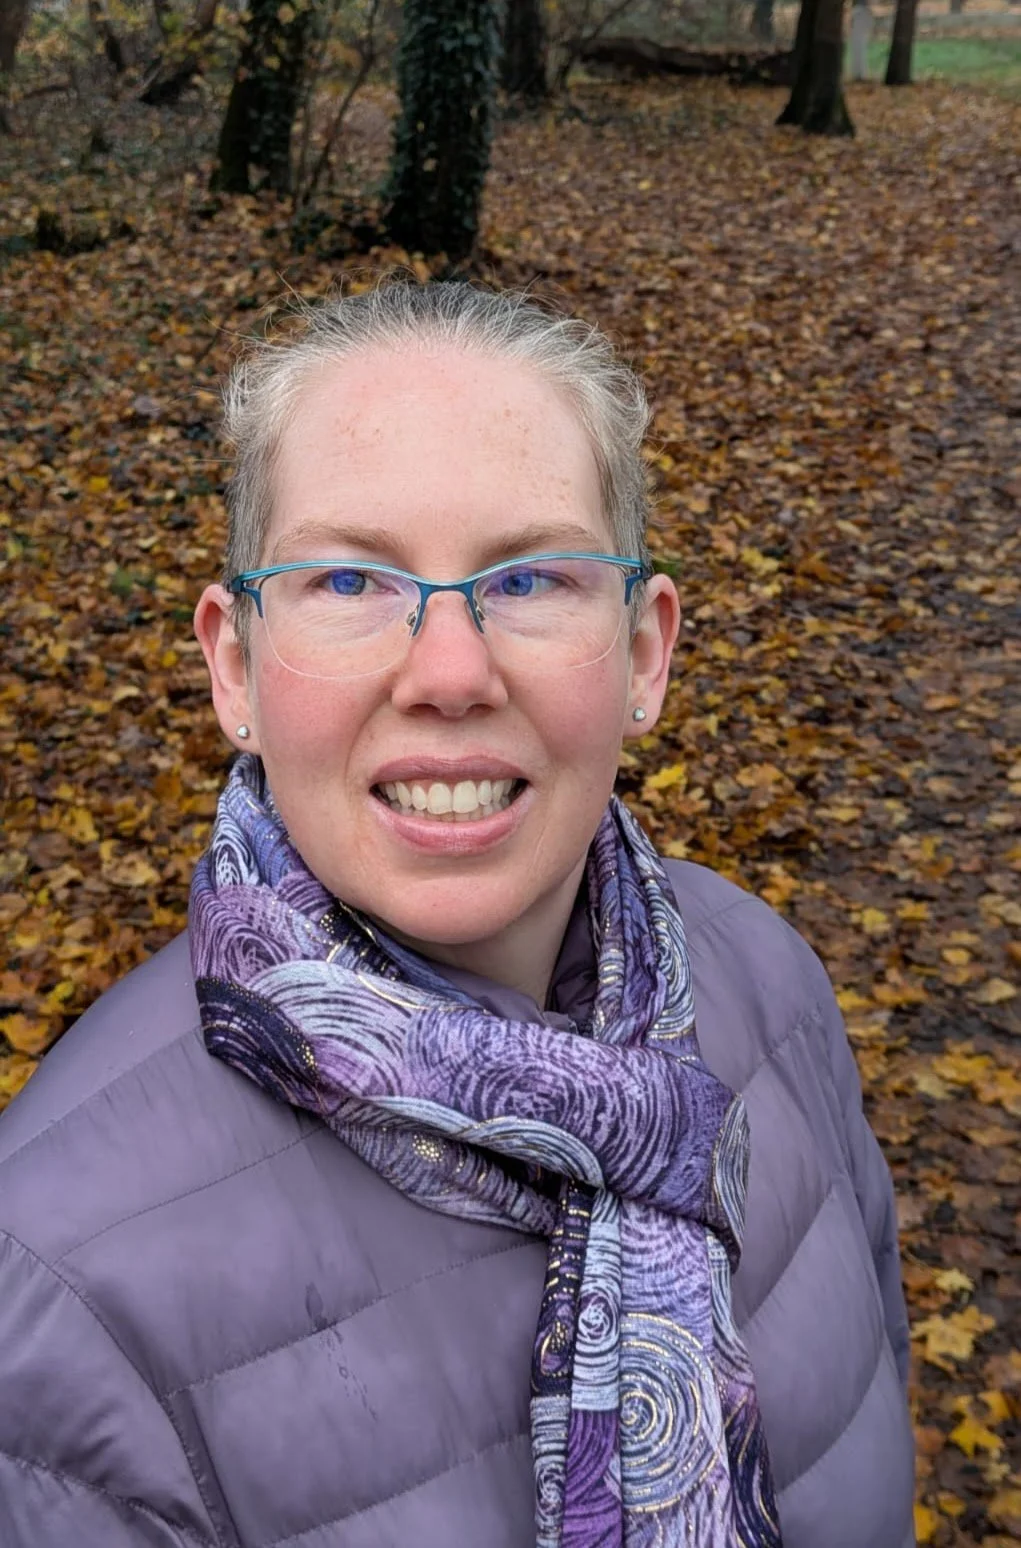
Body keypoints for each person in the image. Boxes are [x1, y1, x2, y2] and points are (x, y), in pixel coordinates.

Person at [0, 283, 915, 1548]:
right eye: (348, 580)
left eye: (530, 577)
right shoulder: (54, 1283)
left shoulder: (770, 986)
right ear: (235, 664)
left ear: (644, 653)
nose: (448, 673)